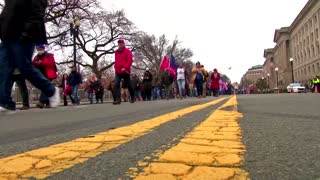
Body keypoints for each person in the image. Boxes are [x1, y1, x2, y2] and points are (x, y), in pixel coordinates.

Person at [113, 39, 135, 105]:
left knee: (129, 85)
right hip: (118, 71)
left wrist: (125, 67)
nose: (120, 44)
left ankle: (132, 97)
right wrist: (115, 66)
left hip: (125, 71)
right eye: (119, 43)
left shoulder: (128, 51)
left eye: (121, 43)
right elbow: (116, 61)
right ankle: (118, 99)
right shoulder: (116, 52)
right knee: (116, 84)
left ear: (123, 44)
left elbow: (130, 61)